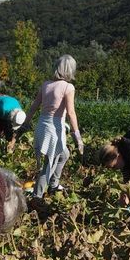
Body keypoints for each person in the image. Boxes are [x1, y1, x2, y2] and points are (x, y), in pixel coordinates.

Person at [24, 55, 83, 199]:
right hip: (54, 129)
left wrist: (25, 124)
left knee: (64, 154)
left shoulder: (46, 85)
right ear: (70, 70)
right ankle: (37, 197)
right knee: (49, 164)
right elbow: (71, 113)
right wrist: (78, 138)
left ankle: (54, 184)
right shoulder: (68, 87)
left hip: (42, 126)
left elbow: (33, 107)